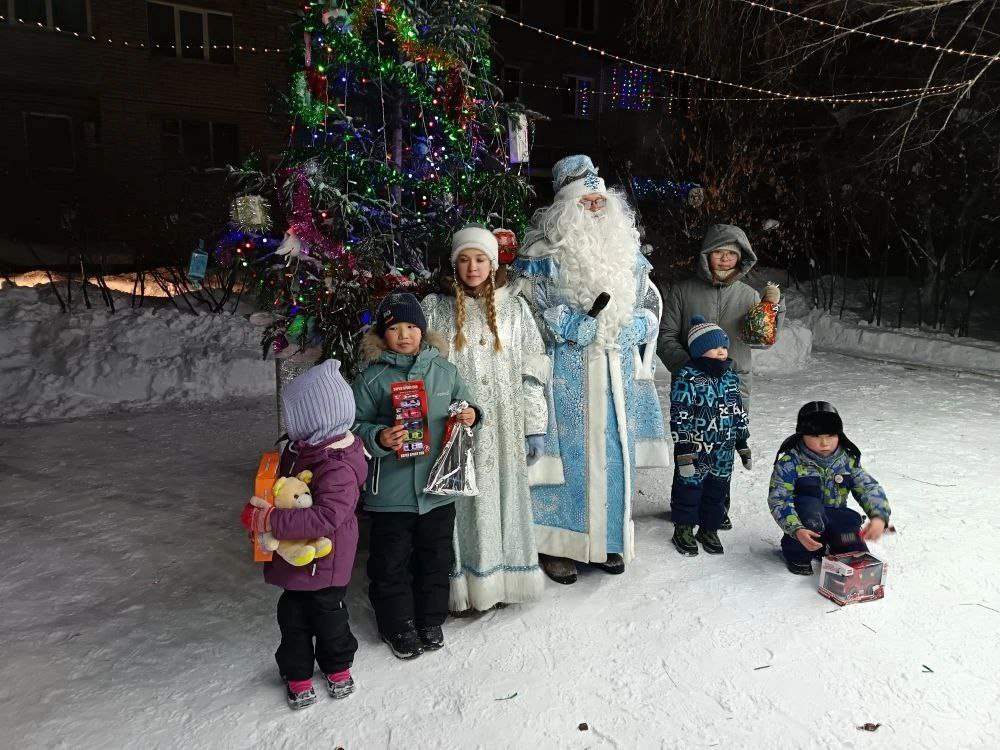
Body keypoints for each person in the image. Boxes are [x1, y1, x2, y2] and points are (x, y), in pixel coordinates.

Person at [512, 154, 671, 585]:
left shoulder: (626, 250)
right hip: (566, 372)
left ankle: (607, 539)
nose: (596, 207)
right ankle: (559, 545)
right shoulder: (541, 253)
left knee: (615, 454)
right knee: (568, 457)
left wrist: (641, 324)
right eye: (586, 201)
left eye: (600, 200)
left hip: (617, 369)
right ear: (567, 206)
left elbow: (649, 299)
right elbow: (522, 310)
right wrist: (563, 324)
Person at [422, 225, 549, 613]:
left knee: (503, 500)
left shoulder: (515, 309)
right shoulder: (435, 308)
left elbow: (531, 372)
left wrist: (534, 425)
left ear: (493, 264)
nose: (472, 267)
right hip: (455, 428)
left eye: (480, 259)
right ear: (454, 264)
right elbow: (421, 369)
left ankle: (502, 580)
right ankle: (463, 586)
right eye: (464, 259)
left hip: (504, 429)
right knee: (461, 504)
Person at [351, 292, 480, 659]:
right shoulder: (371, 378)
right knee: (390, 562)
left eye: (411, 326)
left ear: (423, 331)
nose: (404, 335)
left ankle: (430, 619)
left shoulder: (445, 371)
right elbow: (352, 426)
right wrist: (378, 437)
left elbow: (467, 406)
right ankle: (397, 625)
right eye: (394, 328)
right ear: (382, 334)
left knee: (436, 557)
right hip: (390, 494)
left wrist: (472, 414)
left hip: (438, 489)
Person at [239, 359, 367, 710]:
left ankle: (337, 667)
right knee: (293, 619)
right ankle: (297, 673)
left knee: (330, 617)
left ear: (316, 419)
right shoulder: (302, 450)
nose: (289, 423)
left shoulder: (337, 465)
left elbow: (326, 516)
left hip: (326, 560)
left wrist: (273, 521)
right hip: (295, 557)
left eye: (294, 416)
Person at [657, 223, 781, 530]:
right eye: (718, 253)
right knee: (690, 444)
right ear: (705, 255)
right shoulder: (683, 292)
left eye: (732, 254)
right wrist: (689, 369)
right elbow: (666, 337)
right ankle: (684, 508)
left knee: (725, 445)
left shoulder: (748, 295)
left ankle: (717, 508)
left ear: (741, 258)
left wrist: (771, 308)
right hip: (691, 386)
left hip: (733, 384)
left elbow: (762, 339)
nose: (725, 259)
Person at [767, 401, 891, 575]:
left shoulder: (847, 460)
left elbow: (868, 488)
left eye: (831, 435)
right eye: (816, 436)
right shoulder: (790, 463)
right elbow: (779, 500)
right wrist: (796, 529)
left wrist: (879, 517)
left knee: (851, 536)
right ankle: (797, 554)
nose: (824, 443)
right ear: (802, 435)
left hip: (836, 516)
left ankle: (839, 550)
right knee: (811, 512)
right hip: (805, 523)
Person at [669, 317, 750, 556]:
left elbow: (738, 411)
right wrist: (684, 448)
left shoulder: (731, 377)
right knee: (689, 489)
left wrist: (742, 442)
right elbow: (680, 415)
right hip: (695, 449)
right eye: (715, 347)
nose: (722, 351)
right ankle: (683, 528)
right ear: (699, 350)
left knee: (717, 491)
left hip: (724, 450)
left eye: (724, 346)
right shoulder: (688, 378)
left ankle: (709, 529)